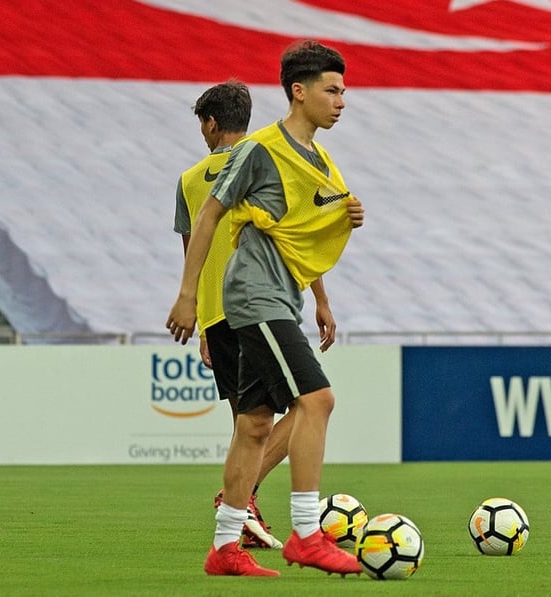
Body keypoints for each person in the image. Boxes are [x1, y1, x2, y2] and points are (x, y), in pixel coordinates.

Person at [166, 40, 365, 577]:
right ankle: (307, 532)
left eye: (344, 91)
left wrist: (345, 216)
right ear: (298, 93)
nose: (342, 100)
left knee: (254, 423)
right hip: (253, 296)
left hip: (284, 295)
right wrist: (187, 295)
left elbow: (301, 231)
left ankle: (225, 547)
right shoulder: (260, 148)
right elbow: (209, 215)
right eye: (332, 90)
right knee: (316, 400)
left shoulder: (320, 160)